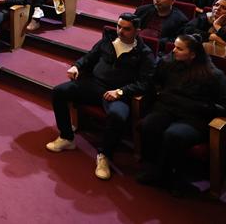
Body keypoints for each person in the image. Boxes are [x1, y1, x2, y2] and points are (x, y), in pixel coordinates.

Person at [46, 14, 154, 181]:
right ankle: (66, 137)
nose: (120, 31)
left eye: (126, 29)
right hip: (94, 85)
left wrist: (120, 92)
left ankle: (104, 155)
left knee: (117, 115)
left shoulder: (144, 53)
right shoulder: (108, 40)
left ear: (137, 31)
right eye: (119, 26)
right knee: (59, 91)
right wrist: (77, 66)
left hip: (117, 92)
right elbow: (89, 57)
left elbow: (145, 83)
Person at [137, 34, 226, 194]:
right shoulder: (169, 64)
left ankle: (171, 177)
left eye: (179, 48)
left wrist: (203, 107)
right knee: (149, 125)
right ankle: (152, 169)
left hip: (194, 118)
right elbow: (154, 83)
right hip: (168, 109)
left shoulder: (213, 75)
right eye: (174, 46)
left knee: (173, 134)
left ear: (193, 54)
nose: (173, 51)